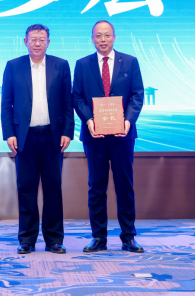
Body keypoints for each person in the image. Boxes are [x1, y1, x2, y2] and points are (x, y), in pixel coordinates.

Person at [1, 24, 75, 254]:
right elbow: (6, 103)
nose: (37, 43)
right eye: (33, 39)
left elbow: (67, 102)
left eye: (42, 39)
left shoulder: (61, 65)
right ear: (25, 42)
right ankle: (27, 240)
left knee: (53, 188)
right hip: (24, 137)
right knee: (26, 188)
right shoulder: (13, 66)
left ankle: (54, 240)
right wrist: (9, 133)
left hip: (53, 136)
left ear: (48, 42)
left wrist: (68, 131)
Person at [72, 20, 145, 253]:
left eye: (107, 35)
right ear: (92, 38)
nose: (102, 40)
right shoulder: (82, 64)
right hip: (94, 135)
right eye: (98, 36)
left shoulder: (130, 62)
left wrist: (127, 121)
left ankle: (128, 237)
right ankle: (98, 238)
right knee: (96, 187)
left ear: (114, 36)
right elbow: (77, 97)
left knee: (125, 185)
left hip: (123, 134)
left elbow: (137, 95)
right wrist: (89, 120)